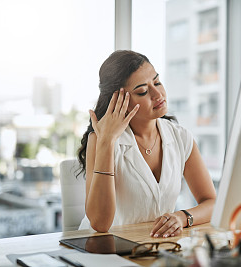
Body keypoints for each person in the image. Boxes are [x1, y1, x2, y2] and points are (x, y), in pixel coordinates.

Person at [77, 50, 216, 238]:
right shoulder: (101, 139)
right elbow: (99, 224)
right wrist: (107, 143)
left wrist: (182, 218)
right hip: (105, 249)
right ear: (120, 101)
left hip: (154, 246)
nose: (158, 94)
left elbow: (212, 202)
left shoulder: (180, 137)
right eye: (142, 91)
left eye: (157, 82)